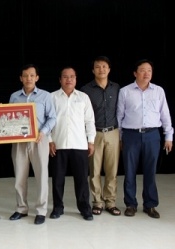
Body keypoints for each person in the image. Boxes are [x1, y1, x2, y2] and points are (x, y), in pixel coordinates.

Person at [117, 59, 173, 219]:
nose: (146, 73)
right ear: (135, 73)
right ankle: (130, 204)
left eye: (149, 70)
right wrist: (120, 139)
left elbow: (165, 114)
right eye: (142, 70)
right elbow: (119, 116)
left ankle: (150, 204)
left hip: (152, 135)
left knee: (150, 171)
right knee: (129, 171)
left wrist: (169, 136)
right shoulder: (125, 91)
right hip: (130, 135)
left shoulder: (158, 91)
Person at [8, 64, 56, 225]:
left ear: (37, 78)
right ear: (21, 78)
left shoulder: (45, 96)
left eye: (31, 75)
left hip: (39, 140)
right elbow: (8, 119)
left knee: (41, 176)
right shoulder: (14, 97)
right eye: (25, 75)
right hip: (19, 142)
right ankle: (21, 208)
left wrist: (43, 132)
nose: (28, 78)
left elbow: (52, 118)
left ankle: (41, 211)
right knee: (20, 176)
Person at [49, 66, 96, 221]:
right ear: (60, 79)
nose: (69, 79)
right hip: (59, 144)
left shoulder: (83, 97)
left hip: (79, 144)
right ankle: (57, 208)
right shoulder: (52, 98)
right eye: (65, 76)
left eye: (72, 77)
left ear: (76, 79)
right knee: (57, 179)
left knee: (82, 179)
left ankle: (84, 208)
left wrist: (91, 141)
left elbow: (90, 121)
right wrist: (49, 141)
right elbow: (46, 121)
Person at [80, 56, 121, 216]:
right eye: (98, 67)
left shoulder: (117, 88)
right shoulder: (86, 90)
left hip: (113, 132)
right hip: (94, 133)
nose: (101, 69)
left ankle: (110, 202)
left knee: (112, 170)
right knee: (95, 170)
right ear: (93, 70)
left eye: (104, 66)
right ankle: (97, 202)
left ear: (109, 69)